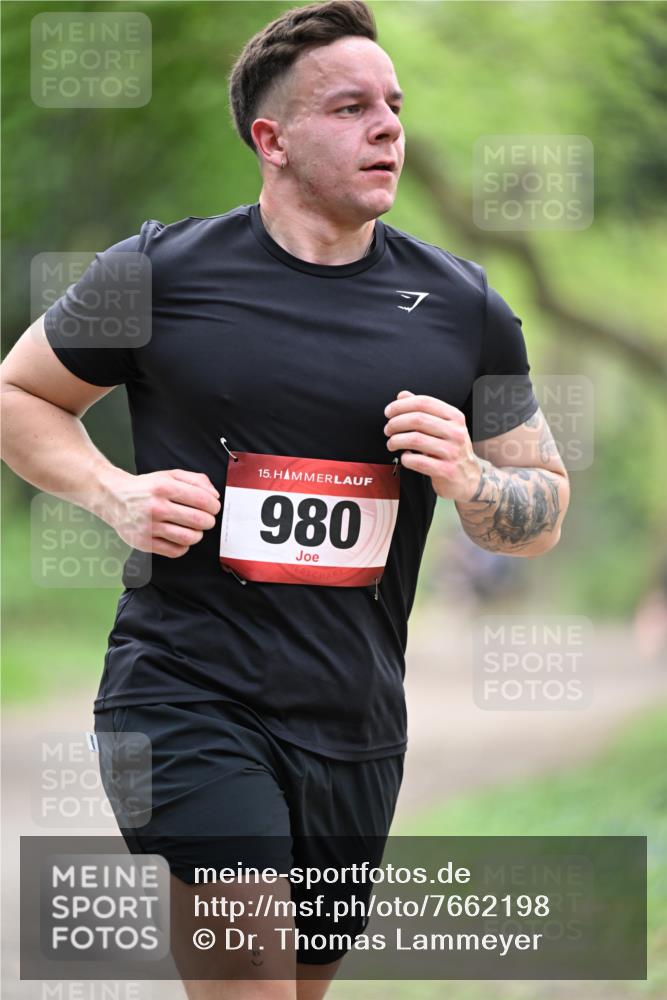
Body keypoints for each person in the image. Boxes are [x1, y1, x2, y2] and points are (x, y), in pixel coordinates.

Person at [1, 1, 570, 996]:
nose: (388, 126)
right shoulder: (154, 272)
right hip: (182, 693)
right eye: (351, 107)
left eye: (393, 103)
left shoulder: (467, 307)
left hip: (353, 717)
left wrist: (469, 475)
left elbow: (543, 503)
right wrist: (111, 491)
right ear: (272, 139)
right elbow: (19, 393)